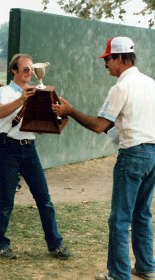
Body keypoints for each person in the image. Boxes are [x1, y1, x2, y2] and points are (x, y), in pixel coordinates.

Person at [52, 37, 155, 280]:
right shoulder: (151, 83)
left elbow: (99, 126)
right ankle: (147, 267)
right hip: (153, 154)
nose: (105, 64)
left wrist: (70, 111)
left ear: (120, 58)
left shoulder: (120, 87)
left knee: (119, 218)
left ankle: (119, 274)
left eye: (107, 59)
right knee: (141, 213)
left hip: (133, 155)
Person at [0, 54, 71, 260]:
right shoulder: (4, 91)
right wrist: (21, 99)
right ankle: (0, 244)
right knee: (6, 201)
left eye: (31, 69)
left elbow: (40, 123)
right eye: (25, 69)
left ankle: (55, 244)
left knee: (44, 199)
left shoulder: (38, 91)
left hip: (29, 148)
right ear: (14, 71)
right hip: (7, 149)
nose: (30, 73)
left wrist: (58, 116)